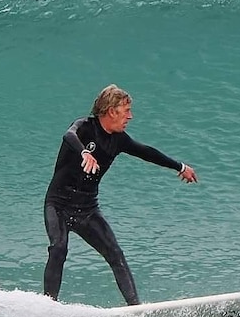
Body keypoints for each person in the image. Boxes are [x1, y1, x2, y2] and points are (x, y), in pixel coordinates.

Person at [43, 84, 198, 305]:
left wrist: (180, 167)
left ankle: (136, 308)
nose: (130, 116)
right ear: (111, 111)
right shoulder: (84, 127)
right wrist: (85, 152)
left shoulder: (119, 139)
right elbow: (69, 135)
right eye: (126, 111)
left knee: (115, 254)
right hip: (58, 205)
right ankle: (49, 306)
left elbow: (147, 152)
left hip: (87, 209)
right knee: (58, 248)